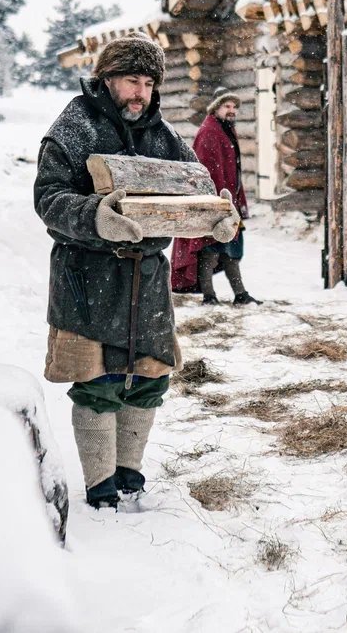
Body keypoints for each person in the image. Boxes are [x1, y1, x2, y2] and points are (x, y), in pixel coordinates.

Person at [34, 34, 203, 510]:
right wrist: (95, 217)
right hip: (87, 277)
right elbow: (47, 198)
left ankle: (130, 475)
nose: (141, 93)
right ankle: (101, 486)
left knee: (149, 378)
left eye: (149, 83)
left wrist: (216, 216)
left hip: (146, 279)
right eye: (132, 81)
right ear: (108, 79)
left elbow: (195, 188)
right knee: (98, 382)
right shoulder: (75, 126)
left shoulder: (162, 135)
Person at [171, 89, 261, 305]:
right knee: (210, 249)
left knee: (230, 249)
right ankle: (209, 295)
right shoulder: (210, 132)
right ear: (216, 108)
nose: (231, 111)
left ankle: (240, 294)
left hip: (227, 200)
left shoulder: (224, 128)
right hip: (216, 201)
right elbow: (207, 170)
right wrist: (218, 201)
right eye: (226, 106)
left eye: (234, 107)